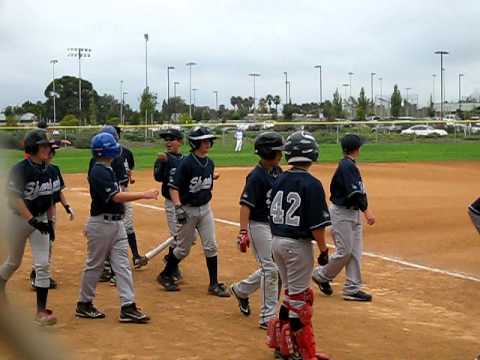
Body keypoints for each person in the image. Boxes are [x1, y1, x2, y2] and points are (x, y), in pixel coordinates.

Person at [76, 132, 159, 323]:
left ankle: (128, 306)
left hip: (116, 224)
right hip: (101, 224)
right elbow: (115, 196)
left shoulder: (107, 169)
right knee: (94, 266)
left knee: (122, 266)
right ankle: (84, 303)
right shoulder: (98, 171)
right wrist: (143, 194)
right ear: (107, 151)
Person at [266, 131, 331, 360]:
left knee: (290, 297)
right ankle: (303, 353)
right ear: (311, 154)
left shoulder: (279, 178)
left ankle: (282, 346)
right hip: (297, 246)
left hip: (276, 242)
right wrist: (323, 250)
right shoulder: (311, 184)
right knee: (301, 304)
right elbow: (317, 225)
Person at [157, 127, 230, 297]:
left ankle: (213, 284)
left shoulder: (209, 162)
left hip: (205, 209)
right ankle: (165, 274)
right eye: (204, 141)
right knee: (183, 248)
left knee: (211, 245)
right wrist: (178, 207)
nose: (208, 143)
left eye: (208, 141)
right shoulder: (186, 163)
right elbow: (173, 187)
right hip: (187, 210)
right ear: (196, 143)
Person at [0, 130, 58, 325]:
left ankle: (41, 312)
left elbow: (50, 198)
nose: (47, 148)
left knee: (42, 265)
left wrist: (50, 222)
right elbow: (14, 198)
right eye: (43, 146)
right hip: (18, 220)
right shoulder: (20, 169)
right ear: (32, 148)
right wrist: (32, 220)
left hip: (39, 220)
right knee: (14, 262)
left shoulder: (49, 170)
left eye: (47, 145)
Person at [230, 132, 284, 329]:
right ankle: (267, 317)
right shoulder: (256, 176)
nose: (281, 154)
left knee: (275, 269)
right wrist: (243, 231)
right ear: (269, 152)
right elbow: (246, 205)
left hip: (274, 225)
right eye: (278, 151)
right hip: (258, 225)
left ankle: (241, 290)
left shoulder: (278, 171)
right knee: (271, 269)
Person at [312, 134, 375, 302]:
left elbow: (360, 192)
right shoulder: (347, 166)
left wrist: (362, 209)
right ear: (356, 148)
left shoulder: (351, 165)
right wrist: (367, 211)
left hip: (352, 213)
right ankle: (321, 275)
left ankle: (352, 289)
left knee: (354, 252)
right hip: (342, 214)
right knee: (344, 251)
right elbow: (354, 193)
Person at [88, 126, 147, 281]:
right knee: (113, 230)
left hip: (122, 191)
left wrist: (129, 178)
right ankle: (109, 268)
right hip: (112, 196)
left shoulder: (124, 154)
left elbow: (127, 171)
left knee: (125, 226)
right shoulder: (97, 163)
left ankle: (133, 256)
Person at [30, 143, 75, 289]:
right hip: (36, 214)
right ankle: (37, 274)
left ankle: (40, 273)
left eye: (51, 153)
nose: (50, 155)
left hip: (51, 212)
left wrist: (67, 207)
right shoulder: (33, 171)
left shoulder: (55, 170)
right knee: (42, 243)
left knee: (48, 242)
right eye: (49, 152)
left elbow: (59, 192)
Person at [153, 128, 185, 283]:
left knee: (187, 237)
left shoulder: (186, 160)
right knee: (177, 236)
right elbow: (158, 178)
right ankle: (172, 268)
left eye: (171, 139)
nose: (168, 142)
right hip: (171, 203)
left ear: (180, 142)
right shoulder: (164, 158)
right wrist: (161, 163)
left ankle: (170, 259)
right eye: (166, 140)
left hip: (185, 203)